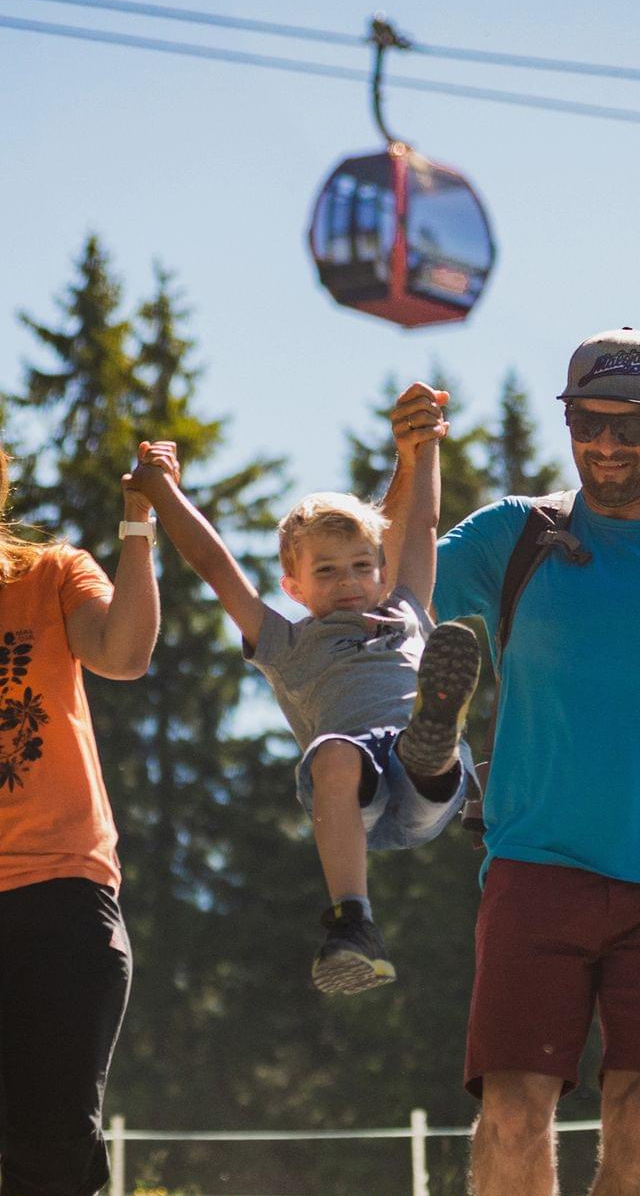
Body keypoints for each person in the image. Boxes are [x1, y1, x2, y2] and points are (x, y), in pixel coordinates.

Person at [390, 329, 640, 1196]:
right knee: (511, 1119)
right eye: (585, 423)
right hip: (536, 865)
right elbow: (402, 591)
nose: (603, 445)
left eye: (626, 428)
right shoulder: (524, 537)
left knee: (636, 1141)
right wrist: (412, 462)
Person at [124, 405, 480, 995]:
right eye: (328, 570)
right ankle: (353, 922)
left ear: (380, 569)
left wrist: (428, 442)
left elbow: (421, 524)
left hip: (421, 779)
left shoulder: (407, 608)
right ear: (293, 587)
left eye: (362, 567)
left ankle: (435, 734)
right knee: (332, 752)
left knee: (419, 750)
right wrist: (161, 494)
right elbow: (214, 564)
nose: (348, 581)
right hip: (353, 793)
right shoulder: (285, 640)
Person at [0, 443, 160, 1196]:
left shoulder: (51, 574)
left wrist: (141, 522)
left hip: (58, 897)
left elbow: (125, 651)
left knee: (57, 1172)